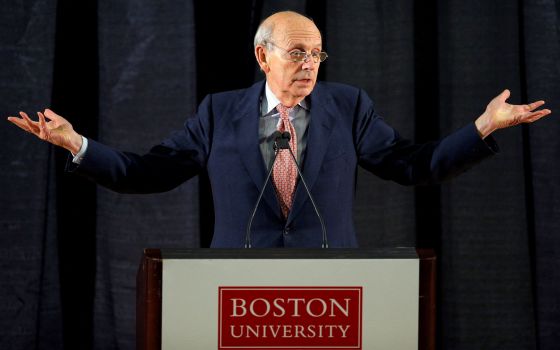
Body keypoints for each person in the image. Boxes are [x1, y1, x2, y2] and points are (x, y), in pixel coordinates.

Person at [7, 11, 551, 248]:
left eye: (317, 53)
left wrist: (483, 125)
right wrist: (76, 144)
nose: (311, 64)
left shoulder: (348, 106)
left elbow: (414, 165)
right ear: (262, 57)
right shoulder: (219, 113)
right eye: (297, 53)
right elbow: (148, 172)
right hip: (237, 294)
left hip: (331, 294)